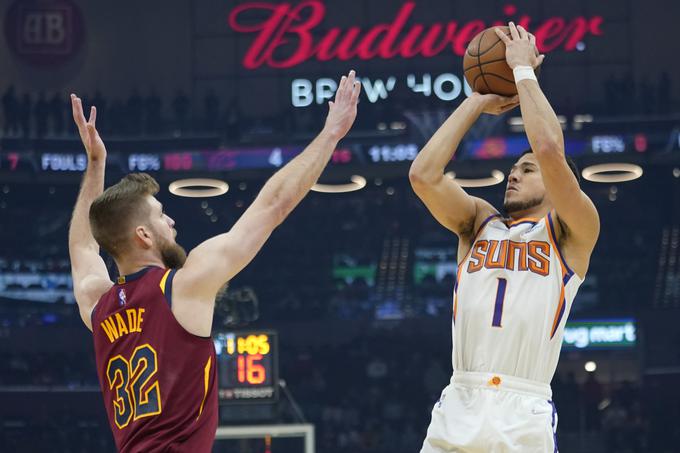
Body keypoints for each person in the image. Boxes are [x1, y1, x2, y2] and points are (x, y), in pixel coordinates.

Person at [68, 71, 361, 452]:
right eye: (160, 215)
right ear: (143, 235)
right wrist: (331, 134)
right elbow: (272, 206)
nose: (171, 221)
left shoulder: (98, 304)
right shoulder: (182, 286)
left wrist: (95, 165)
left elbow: (83, 250)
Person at [409, 23, 599, 452]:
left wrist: (522, 72)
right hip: (460, 399)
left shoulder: (573, 230)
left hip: (523, 406)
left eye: (526, 170)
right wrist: (474, 101)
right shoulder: (478, 221)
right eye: (514, 168)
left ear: (555, 183)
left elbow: (550, 151)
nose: (514, 173)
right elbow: (423, 175)